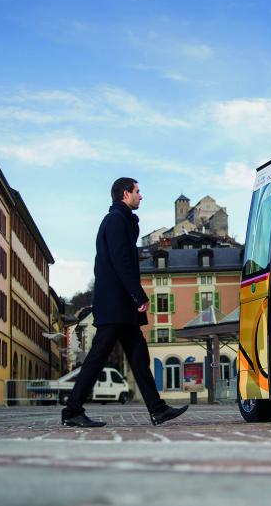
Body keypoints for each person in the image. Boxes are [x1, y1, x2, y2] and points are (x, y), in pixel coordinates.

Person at [61, 178, 188, 427]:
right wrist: (138, 295)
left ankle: (157, 409)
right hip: (116, 305)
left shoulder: (121, 220)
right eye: (138, 191)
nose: (142, 196)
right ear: (125, 194)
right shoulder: (117, 220)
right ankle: (72, 410)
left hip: (120, 305)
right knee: (98, 356)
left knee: (139, 356)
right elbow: (122, 261)